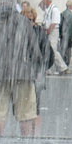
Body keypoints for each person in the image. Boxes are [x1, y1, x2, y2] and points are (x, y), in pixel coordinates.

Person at [0, 0, 42, 136]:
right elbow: (34, 48)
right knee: (25, 113)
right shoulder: (23, 21)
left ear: (0, 5)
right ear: (14, 6)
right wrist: (36, 67)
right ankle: (26, 142)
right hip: (22, 72)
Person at [23, 7, 54, 136]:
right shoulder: (38, 32)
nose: (29, 22)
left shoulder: (34, 33)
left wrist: (40, 69)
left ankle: (34, 134)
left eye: (30, 20)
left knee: (33, 106)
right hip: (33, 74)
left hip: (34, 74)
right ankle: (33, 134)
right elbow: (49, 55)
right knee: (31, 106)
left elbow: (48, 54)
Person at [39, 0, 69, 75]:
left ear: (48, 0)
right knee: (47, 50)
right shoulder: (47, 9)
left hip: (53, 31)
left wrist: (48, 31)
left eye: (44, 0)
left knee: (53, 50)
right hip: (47, 30)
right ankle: (49, 69)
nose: (43, 1)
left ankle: (63, 67)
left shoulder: (54, 9)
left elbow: (54, 23)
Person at [59, 0, 72, 65]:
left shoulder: (64, 13)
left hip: (64, 35)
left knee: (64, 51)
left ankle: (63, 65)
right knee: (67, 52)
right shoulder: (69, 14)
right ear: (70, 6)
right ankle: (65, 65)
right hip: (67, 35)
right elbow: (70, 27)